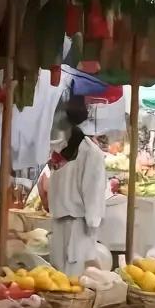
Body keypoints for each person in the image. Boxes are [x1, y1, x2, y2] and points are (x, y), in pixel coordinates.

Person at [47, 95, 108, 276]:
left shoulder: (68, 150)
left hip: (73, 226)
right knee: (68, 283)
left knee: (64, 281)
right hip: (75, 228)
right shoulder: (86, 152)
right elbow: (94, 194)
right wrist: (93, 228)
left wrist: (91, 225)